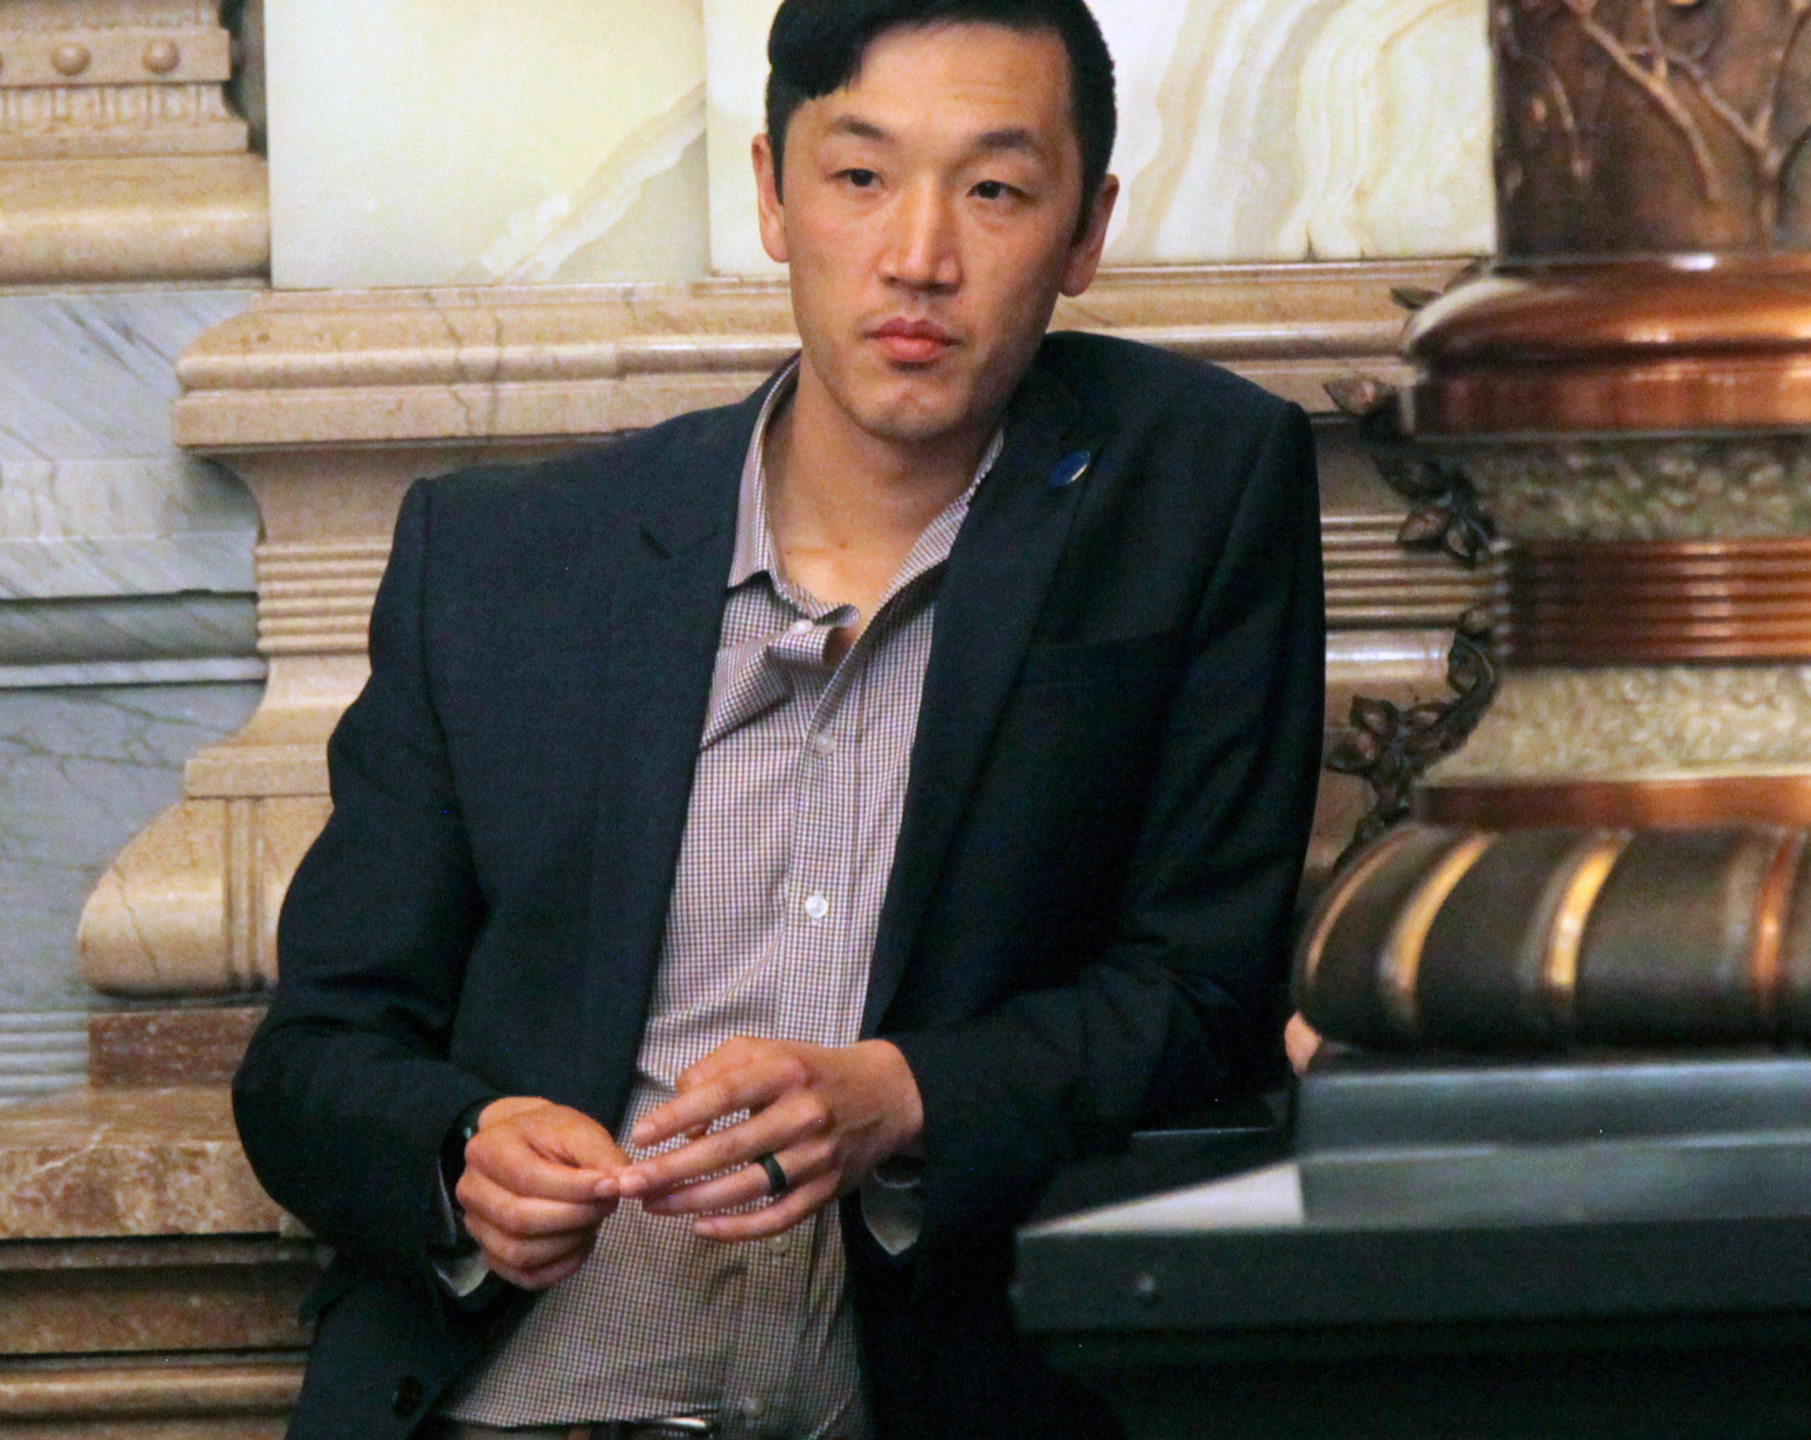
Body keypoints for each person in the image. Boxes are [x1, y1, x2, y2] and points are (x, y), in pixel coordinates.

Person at [231, 1, 1326, 1436]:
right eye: (858, 177)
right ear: (771, 195)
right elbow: (311, 1059)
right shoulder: (506, 565)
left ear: (1086, 231)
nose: (918, 256)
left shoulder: (1191, 491)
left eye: (995, 189)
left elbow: (1202, 992)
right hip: (519, 1399)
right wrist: (461, 1157)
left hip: (925, 1390)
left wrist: (905, 1095)